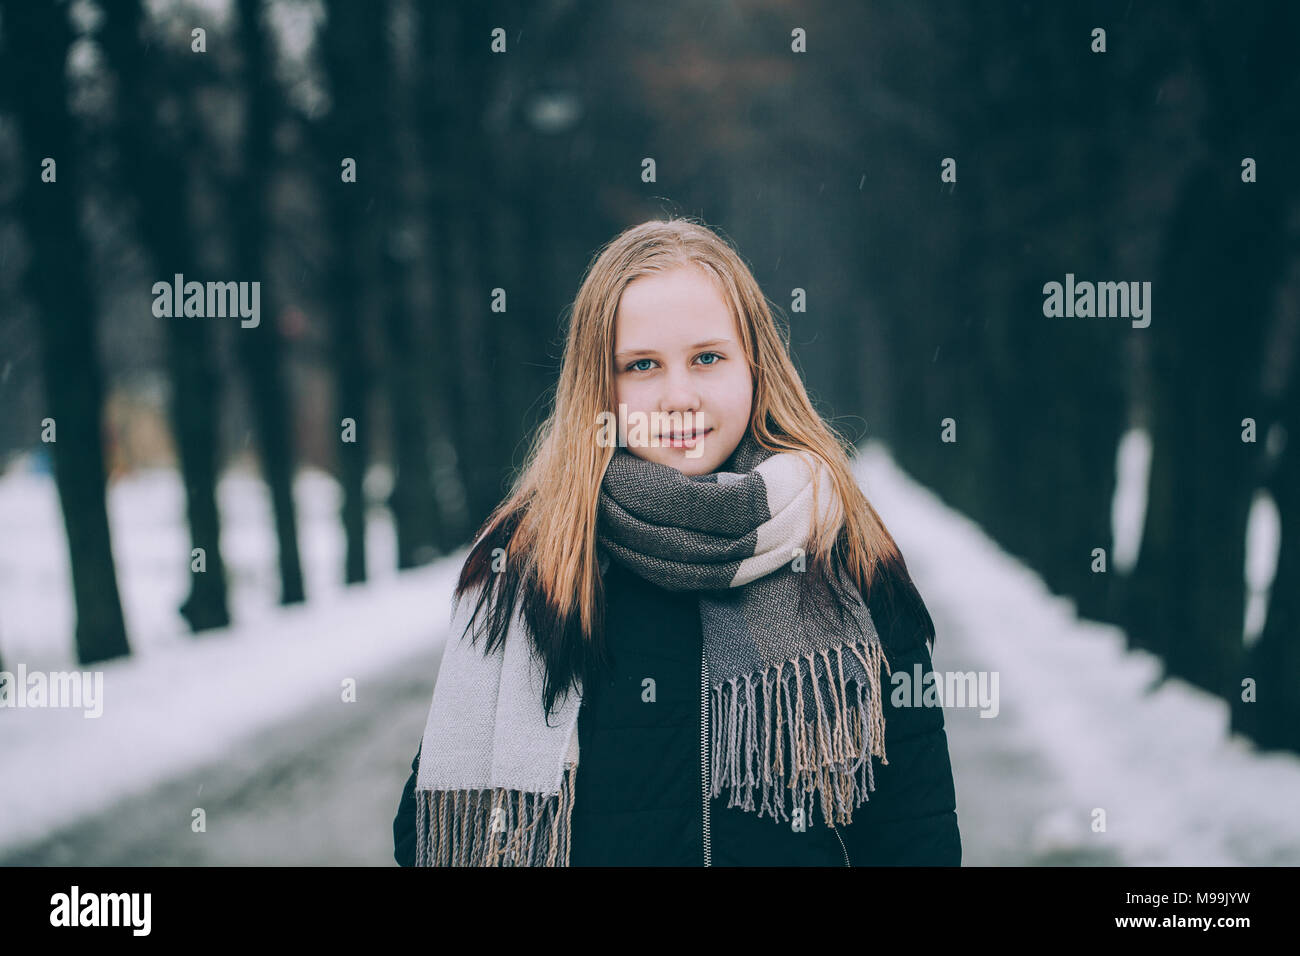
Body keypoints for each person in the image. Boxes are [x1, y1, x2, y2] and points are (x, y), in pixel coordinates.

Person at [393, 217, 961, 866]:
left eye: (708, 358)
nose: (678, 396)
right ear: (597, 388)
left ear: (756, 365)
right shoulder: (530, 568)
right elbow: (432, 839)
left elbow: (917, 834)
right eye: (641, 366)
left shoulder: (843, 552)